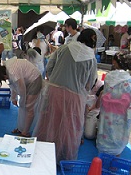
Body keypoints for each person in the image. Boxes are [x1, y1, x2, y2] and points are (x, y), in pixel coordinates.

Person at [34, 28, 98, 162]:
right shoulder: (91, 57)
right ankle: (64, 156)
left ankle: (44, 154)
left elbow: (49, 66)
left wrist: (53, 79)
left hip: (54, 90)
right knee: (70, 126)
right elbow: (91, 82)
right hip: (75, 96)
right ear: (92, 38)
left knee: (50, 121)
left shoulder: (65, 48)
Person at [96, 51, 131, 156]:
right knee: (120, 132)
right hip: (123, 114)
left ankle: (103, 150)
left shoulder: (109, 77)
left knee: (106, 129)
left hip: (108, 112)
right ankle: (117, 152)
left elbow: (105, 93)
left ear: (115, 62)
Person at [0, 57, 42, 136]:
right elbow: (13, 85)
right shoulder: (7, 69)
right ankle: (21, 128)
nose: (4, 80)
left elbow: (21, 89)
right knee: (22, 108)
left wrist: (21, 102)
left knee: (29, 107)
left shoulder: (12, 71)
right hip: (27, 80)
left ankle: (25, 132)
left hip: (35, 79)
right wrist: (13, 98)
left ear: (2, 75)